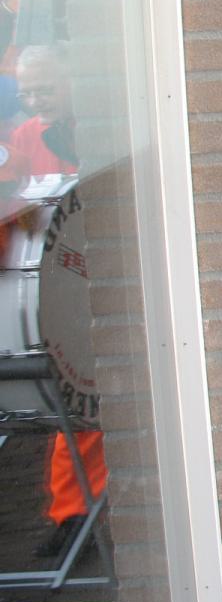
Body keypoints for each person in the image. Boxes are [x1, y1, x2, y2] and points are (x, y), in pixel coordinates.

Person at [10, 45, 108, 558]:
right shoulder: (25, 136)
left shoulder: (96, 127)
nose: (35, 100)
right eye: (26, 92)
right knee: (73, 410)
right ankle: (73, 513)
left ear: (70, 82)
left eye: (44, 88)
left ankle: (79, 511)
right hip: (56, 286)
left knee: (85, 410)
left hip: (99, 277)